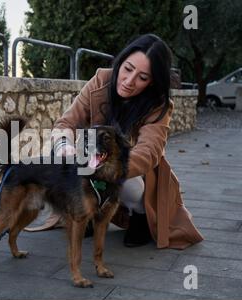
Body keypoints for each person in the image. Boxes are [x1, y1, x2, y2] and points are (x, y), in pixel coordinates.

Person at [25, 34, 204, 249]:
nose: (129, 81)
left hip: (133, 173)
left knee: (127, 181)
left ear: (153, 81)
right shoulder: (101, 80)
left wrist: (106, 167)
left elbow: (149, 152)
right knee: (68, 156)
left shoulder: (159, 105)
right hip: (92, 159)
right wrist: (65, 147)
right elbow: (65, 124)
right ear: (120, 62)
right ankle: (88, 212)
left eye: (142, 77)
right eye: (128, 69)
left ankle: (140, 215)